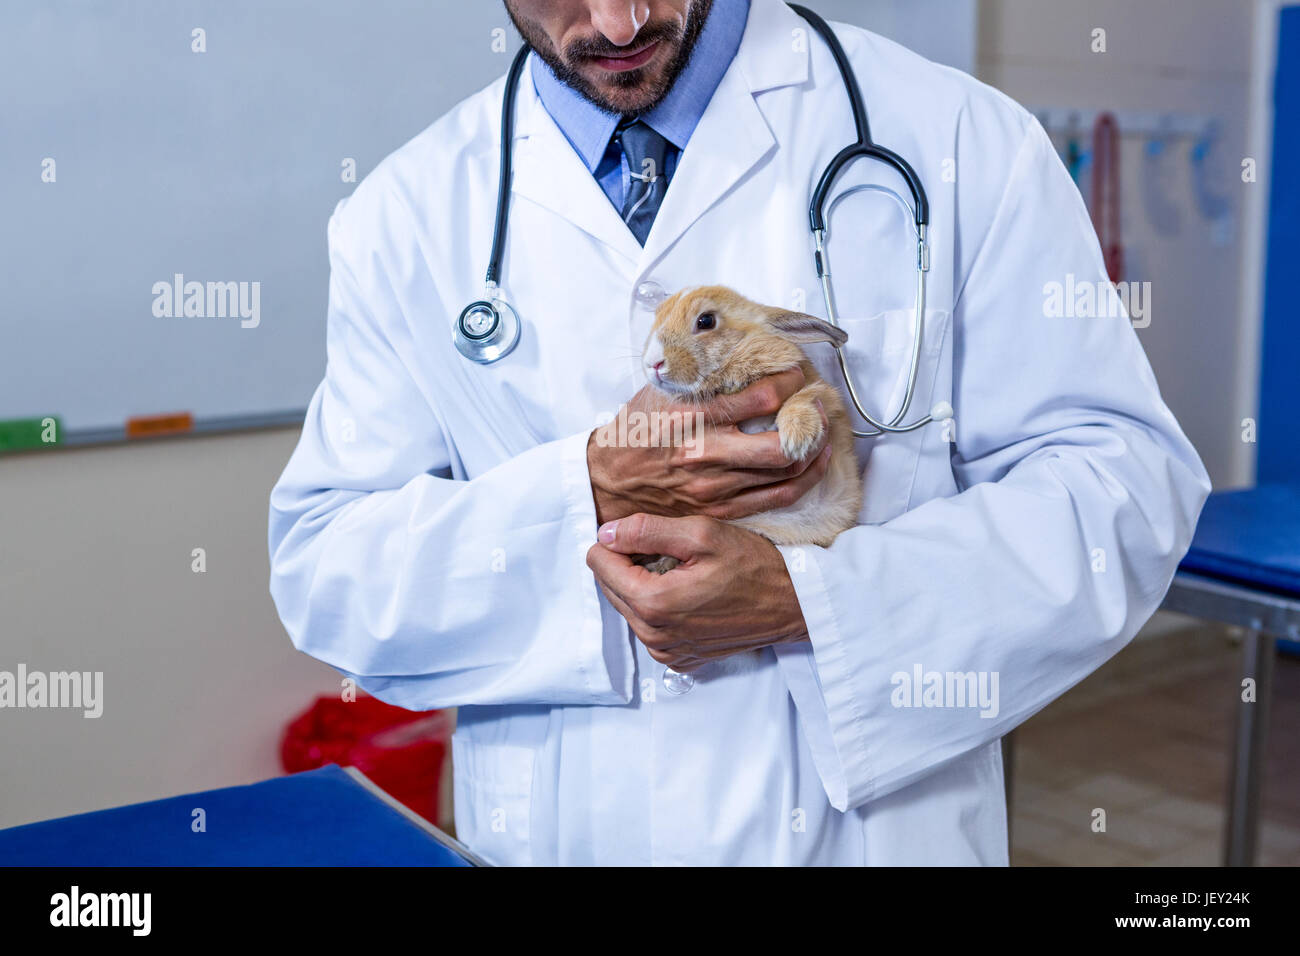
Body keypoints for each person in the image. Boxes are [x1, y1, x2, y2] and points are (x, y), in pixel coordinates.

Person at [268, 0, 1210, 865]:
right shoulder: (405, 212)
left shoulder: (962, 140)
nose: (619, 19)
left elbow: (1123, 489)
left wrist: (819, 605)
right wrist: (590, 494)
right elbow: (329, 569)